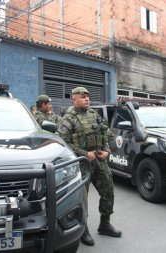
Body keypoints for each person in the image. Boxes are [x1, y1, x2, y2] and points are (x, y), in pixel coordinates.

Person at [58, 87, 122, 246]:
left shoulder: (94, 114)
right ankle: (83, 229)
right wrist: (85, 154)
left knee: (108, 191)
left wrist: (106, 151)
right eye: (82, 96)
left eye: (88, 96)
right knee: (82, 198)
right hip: (81, 163)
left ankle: (105, 224)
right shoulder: (68, 118)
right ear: (74, 100)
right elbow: (63, 143)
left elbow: (104, 135)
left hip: (99, 160)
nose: (87, 99)